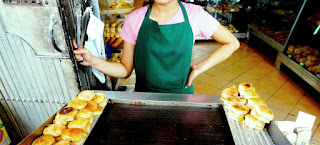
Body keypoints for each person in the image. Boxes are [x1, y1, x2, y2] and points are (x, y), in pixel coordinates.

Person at [73, 0, 240, 94]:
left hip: (181, 96)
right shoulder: (134, 19)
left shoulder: (194, 14)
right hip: (144, 97)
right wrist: (92, 60)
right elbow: (125, 70)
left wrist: (198, 68)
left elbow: (232, 43)